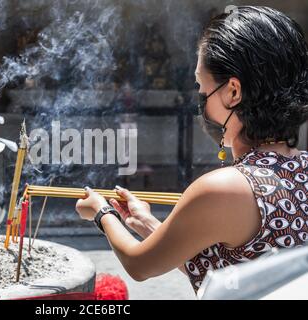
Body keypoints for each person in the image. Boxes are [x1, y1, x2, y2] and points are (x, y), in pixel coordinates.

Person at [75, 6, 308, 294]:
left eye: (201, 85)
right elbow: (230, 273)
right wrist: (146, 223)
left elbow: (139, 264)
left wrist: (102, 212)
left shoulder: (224, 188)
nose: (198, 97)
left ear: (233, 92)